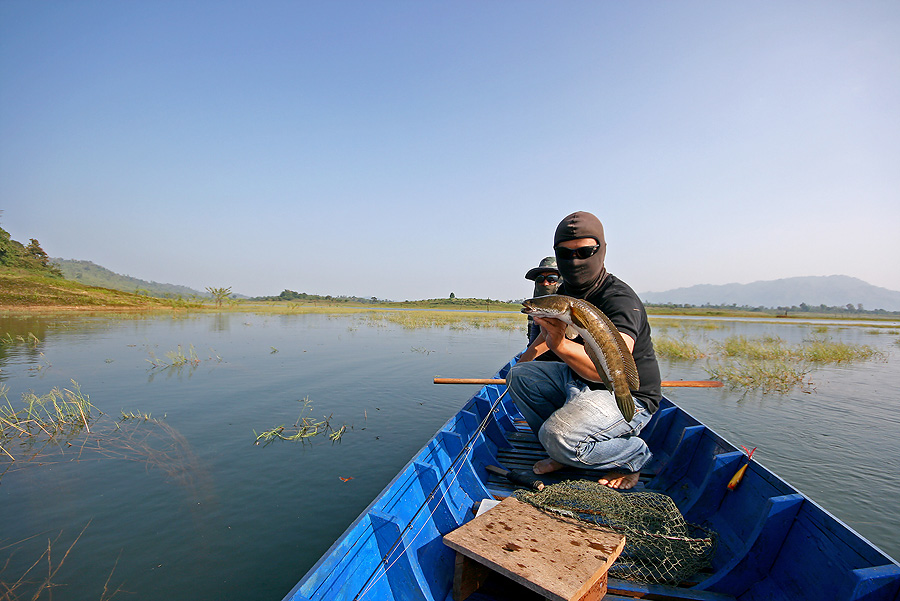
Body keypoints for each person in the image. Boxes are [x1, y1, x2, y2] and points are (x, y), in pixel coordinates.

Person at [508, 211, 662, 490]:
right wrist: (521, 366)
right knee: (520, 376)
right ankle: (565, 454)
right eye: (564, 254)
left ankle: (632, 455)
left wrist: (559, 344)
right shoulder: (565, 293)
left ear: (600, 250)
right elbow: (542, 341)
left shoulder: (620, 299)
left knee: (557, 434)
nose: (575, 261)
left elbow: (613, 373)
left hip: (625, 392)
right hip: (580, 382)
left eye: (585, 251)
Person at [524, 256, 561, 346]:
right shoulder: (533, 308)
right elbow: (533, 340)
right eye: (540, 279)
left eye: (551, 279)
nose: (545, 283)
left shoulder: (569, 306)